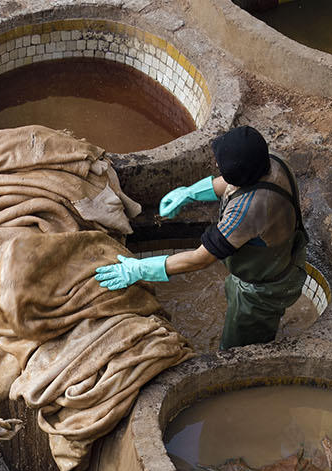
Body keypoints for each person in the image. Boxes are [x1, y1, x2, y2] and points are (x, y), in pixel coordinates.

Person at [94, 125, 310, 350]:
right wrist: (189, 193)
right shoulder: (271, 161)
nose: (216, 164)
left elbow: (200, 259)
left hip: (264, 288)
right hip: (278, 261)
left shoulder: (248, 210)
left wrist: (139, 269)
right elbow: (231, 181)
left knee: (239, 348)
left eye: (221, 165)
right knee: (239, 304)